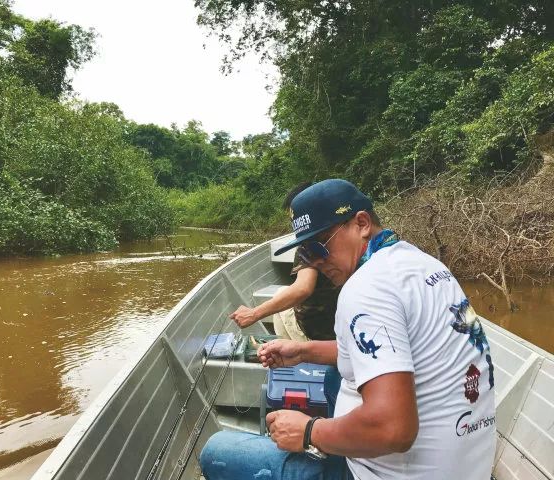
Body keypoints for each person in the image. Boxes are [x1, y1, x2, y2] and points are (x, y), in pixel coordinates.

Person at [200, 179, 496, 480]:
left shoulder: (366, 288)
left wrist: (308, 431)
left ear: (362, 223)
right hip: (463, 466)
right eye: (306, 251)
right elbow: (392, 351)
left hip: (388, 472)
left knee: (217, 451)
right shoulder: (426, 266)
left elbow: (393, 429)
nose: (315, 261)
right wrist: (303, 351)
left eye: (319, 247)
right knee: (333, 377)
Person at [230, 182, 339, 341]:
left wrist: (254, 313)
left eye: (294, 215)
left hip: (321, 335)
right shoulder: (339, 237)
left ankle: (295, 353)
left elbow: (302, 289)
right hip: (339, 329)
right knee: (283, 296)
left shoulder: (310, 244)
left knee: (281, 302)